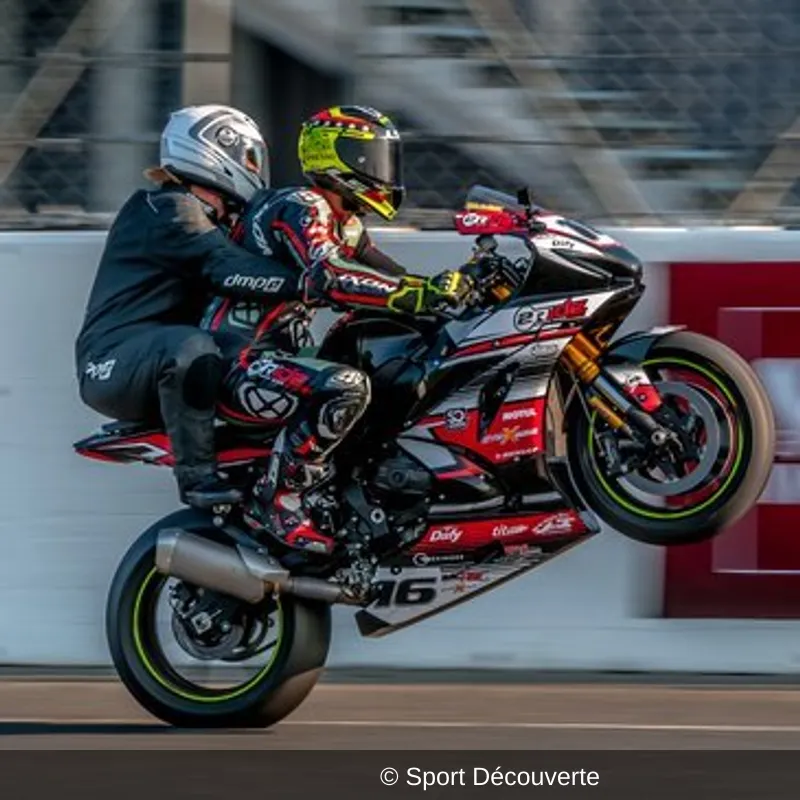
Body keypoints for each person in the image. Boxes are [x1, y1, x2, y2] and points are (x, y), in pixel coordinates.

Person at [202, 105, 520, 557]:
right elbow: (332, 273)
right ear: (338, 158)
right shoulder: (298, 205)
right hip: (239, 360)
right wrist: (419, 294)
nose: (383, 171)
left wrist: (463, 291)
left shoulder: (346, 226)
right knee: (346, 387)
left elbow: (397, 281)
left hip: (280, 358)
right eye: (371, 158)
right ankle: (279, 499)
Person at [75, 104, 304, 510]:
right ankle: (197, 478)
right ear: (219, 150)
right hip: (111, 363)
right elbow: (226, 268)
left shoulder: (207, 217)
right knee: (191, 346)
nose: (257, 168)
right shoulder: (168, 208)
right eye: (251, 157)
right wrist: (311, 280)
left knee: (259, 362)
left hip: (158, 356)